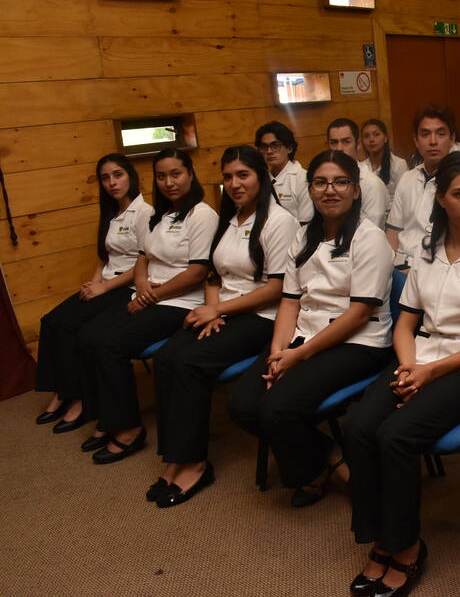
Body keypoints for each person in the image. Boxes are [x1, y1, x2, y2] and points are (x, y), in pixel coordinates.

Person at [344, 152, 460, 597]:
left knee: (397, 436)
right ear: (441, 199)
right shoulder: (425, 249)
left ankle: (404, 548)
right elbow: (406, 322)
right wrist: (409, 366)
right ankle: (380, 536)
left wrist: (430, 372)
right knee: (359, 426)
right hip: (421, 357)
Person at [228, 150, 394, 508]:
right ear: (311, 189)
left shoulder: (370, 239)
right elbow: (289, 301)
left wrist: (298, 356)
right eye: (320, 182)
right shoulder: (302, 236)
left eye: (339, 182)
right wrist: (277, 352)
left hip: (359, 343)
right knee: (242, 404)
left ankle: (316, 471)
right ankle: (329, 457)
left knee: (275, 408)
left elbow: (359, 314)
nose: (329, 190)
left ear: (356, 190)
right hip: (303, 336)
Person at [144, 146, 296, 507]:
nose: (235, 184)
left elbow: (276, 288)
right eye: (228, 177)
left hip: (263, 318)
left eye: (243, 175)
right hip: (227, 311)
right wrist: (214, 309)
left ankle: (195, 463)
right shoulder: (231, 219)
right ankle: (175, 458)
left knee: (189, 364)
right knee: (167, 358)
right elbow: (213, 274)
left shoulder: (279, 221)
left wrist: (220, 311)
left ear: (260, 175)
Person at [80, 149, 218, 464]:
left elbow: (197, 272)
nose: (169, 182)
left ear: (190, 174)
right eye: (161, 176)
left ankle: (128, 430)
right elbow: (142, 258)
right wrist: (141, 286)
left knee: (109, 345)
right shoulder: (159, 214)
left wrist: (151, 296)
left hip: (182, 303)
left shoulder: (202, 214)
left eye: (176, 174)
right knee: (88, 335)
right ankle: (108, 418)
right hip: (149, 296)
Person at [34, 154, 153, 447]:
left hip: (125, 287)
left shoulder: (145, 212)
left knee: (80, 330)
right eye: (105, 178)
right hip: (107, 283)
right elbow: (105, 256)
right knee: (52, 322)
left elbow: (143, 263)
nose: (112, 182)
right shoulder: (111, 212)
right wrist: (94, 281)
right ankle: (67, 392)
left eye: (118, 175)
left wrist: (106, 287)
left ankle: (82, 401)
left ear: (130, 176)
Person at [386, 104, 457, 268]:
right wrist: (386, 269)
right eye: (425, 134)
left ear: (452, 138)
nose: (433, 141)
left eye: (440, 134)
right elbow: (393, 233)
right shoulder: (407, 178)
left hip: (437, 268)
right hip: (400, 265)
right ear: (416, 140)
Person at [326, 118, 390, 228]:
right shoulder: (325, 181)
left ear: (358, 143)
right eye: (334, 143)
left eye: (346, 141)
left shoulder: (372, 184)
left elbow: (371, 233)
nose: (339, 148)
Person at [255, 121, 311, 223]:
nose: (269, 151)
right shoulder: (261, 179)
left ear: (289, 148)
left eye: (275, 145)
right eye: (264, 147)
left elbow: (306, 223)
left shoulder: (302, 179)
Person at [360, 118, 409, 203]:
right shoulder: (361, 167)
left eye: (376, 134)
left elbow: (404, 198)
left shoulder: (399, 164)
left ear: (385, 138)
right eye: (366, 136)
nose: (371, 139)